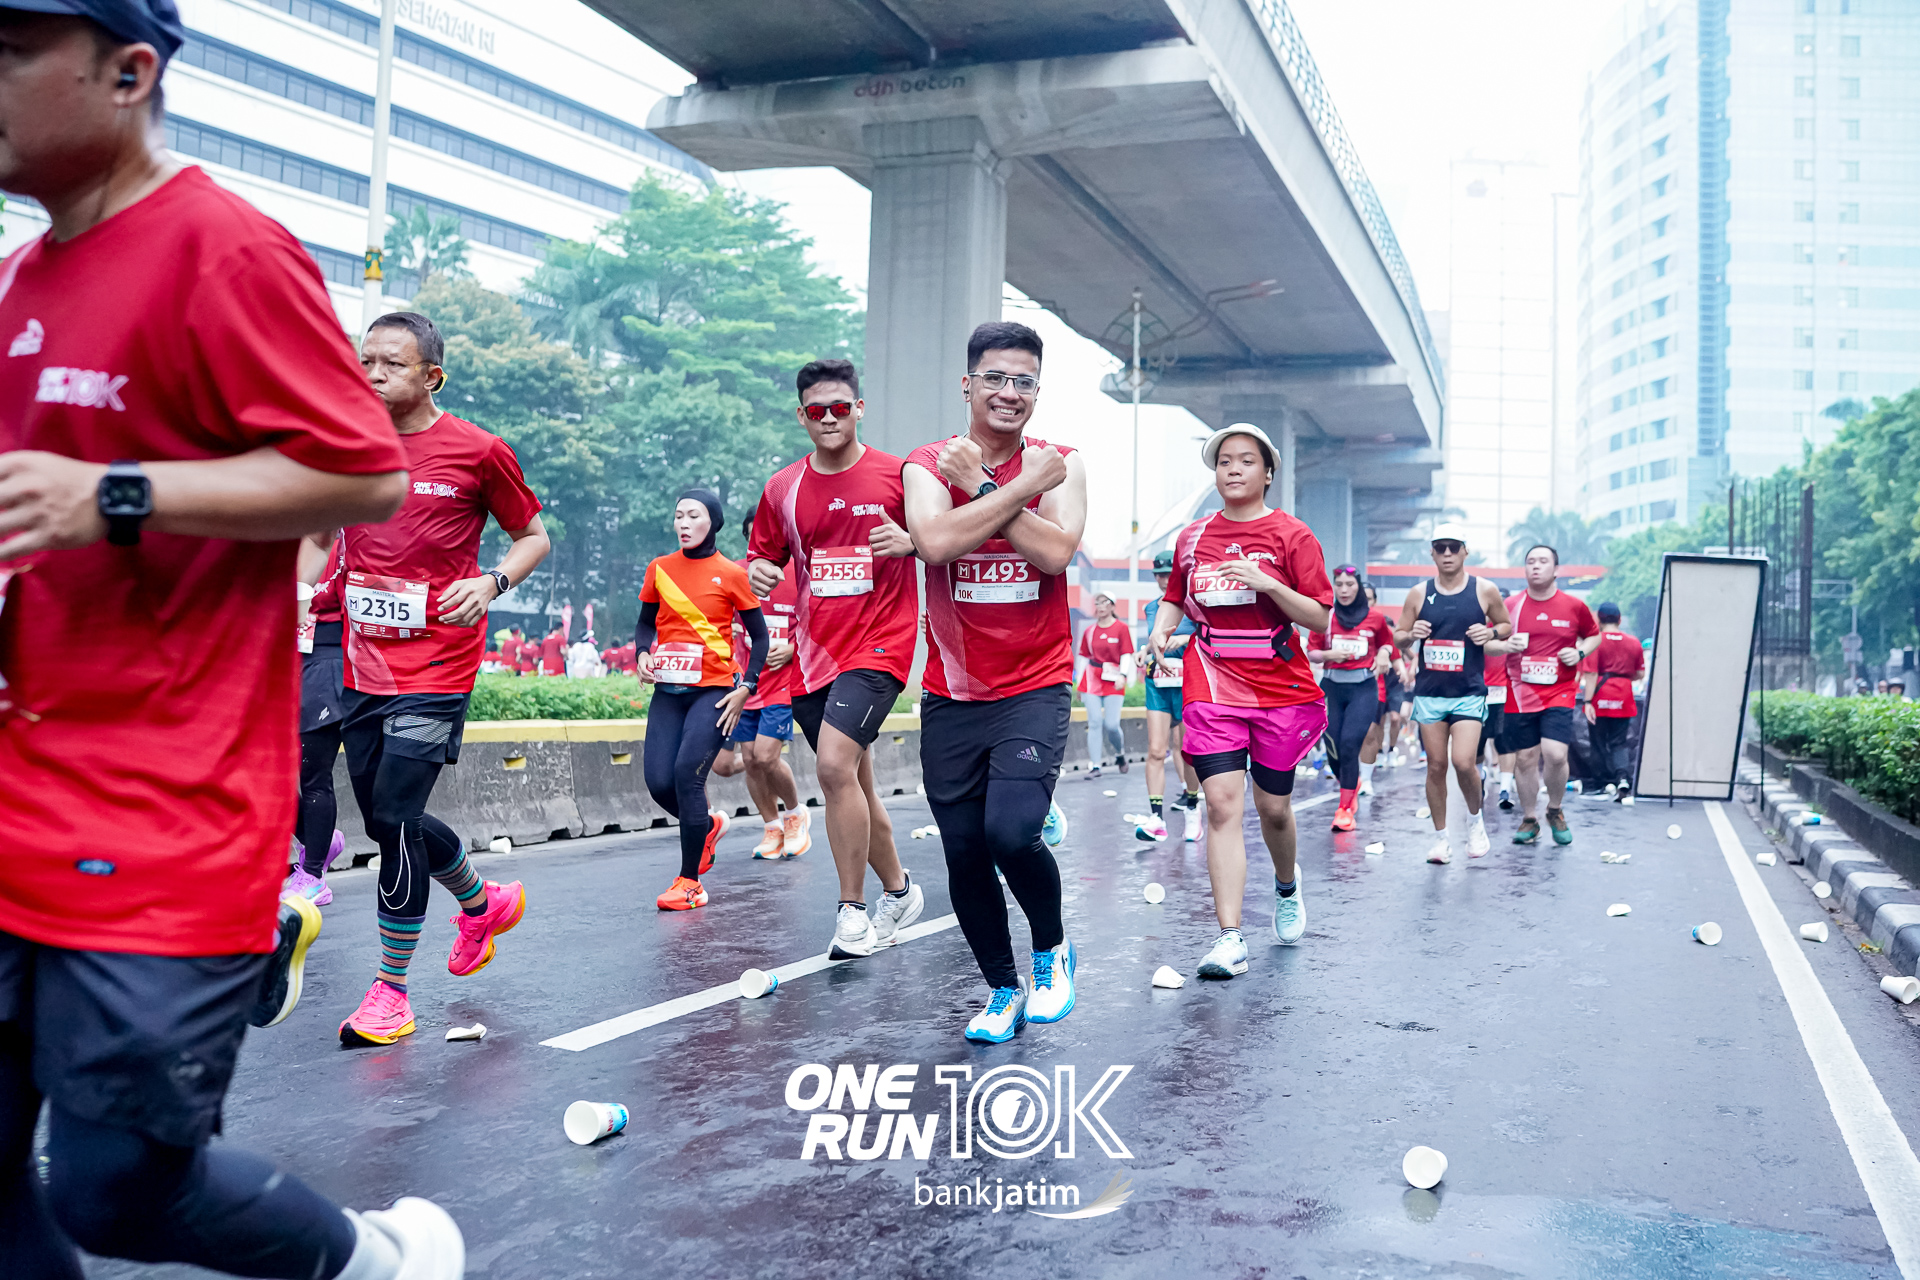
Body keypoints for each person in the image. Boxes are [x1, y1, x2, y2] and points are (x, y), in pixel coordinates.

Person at [0, 5, 469, 1273]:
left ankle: (375, 1260)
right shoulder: (24, 279)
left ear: (128, 71)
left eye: (10, 51)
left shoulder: (224, 251)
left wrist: (116, 494)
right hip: (17, 791)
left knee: (114, 1189)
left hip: (165, 809)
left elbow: (363, 470)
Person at [336, 311, 550, 1049]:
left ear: (432, 376)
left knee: (396, 814)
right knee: (380, 818)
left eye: (391, 364)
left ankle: (391, 991)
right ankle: (482, 901)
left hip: (438, 663)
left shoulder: (478, 450)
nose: (373, 374)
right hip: (362, 661)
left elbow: (532, 537)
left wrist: (492, 583)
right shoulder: (348, 441)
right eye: (366, 360)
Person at [903, 320, 1087, 1041]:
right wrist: (1016, 494)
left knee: (1011, 834)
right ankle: (1002, 990)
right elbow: (935, 541)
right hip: (953, 690)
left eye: (1024, 381)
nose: (1010, 392)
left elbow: (1055, 555)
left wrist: (980, 488)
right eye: (996, 378)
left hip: (1035, 684)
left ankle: (1052, 951)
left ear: (1037, 390)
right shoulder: (926, 464)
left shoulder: (1061, 462)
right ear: (968, 384)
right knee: (964, 851)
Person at [748, 358, 923, 957]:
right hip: (814, 654)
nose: (829, 418)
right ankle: (899, 891)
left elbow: (948, 537)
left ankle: (851, 912)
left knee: (830, 767)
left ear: (858, 410)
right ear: (802, 416)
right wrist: (760, 570)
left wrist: (913, 541)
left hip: (880, 645)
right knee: (854, 784)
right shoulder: (783, 488)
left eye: (840, 408)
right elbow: (763, 556)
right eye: (817, 410)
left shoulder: (900, 475)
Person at [1147, 424, 1332, 980]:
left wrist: (1267, 582)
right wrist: (1161, 628)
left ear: (1267, 473)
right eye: (1224, 460)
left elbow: (1320, 617)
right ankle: (1230, 937)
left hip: (1278, 687)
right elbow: (1175, 596)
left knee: (1273, 809)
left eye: (1246, 460)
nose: (1232, 468)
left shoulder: (1292, 535)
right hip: (1212, 681)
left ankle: (1287, 885)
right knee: (1222, 805)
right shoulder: (1193, 537)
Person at [638, 490, 768, 910]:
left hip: (714, 693)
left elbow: (760, 638)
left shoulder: (731, 574)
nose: (683, 523)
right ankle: (707, 826)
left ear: (713, 522)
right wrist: (641, 654)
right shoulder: (659, 569)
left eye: (693, 515)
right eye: (678, 516)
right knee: (659, 783)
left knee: (687, 775)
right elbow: (644, 625)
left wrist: (746, 687)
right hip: (667, 692)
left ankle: (690, 882)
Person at [1393, 523, 1511, 865]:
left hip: (1468, 692)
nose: (1447, 554)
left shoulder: (1484, 590)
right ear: (1432, 553)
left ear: (1465, 551)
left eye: (1453, 547)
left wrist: (1489, 633)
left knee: (1463, 761)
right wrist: (1411, 635)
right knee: (1435, 766)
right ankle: (1441, 838)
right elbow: (1398, 636)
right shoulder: (1418, 593)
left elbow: (1505, 626)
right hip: (1430, 693)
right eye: (1440, 547)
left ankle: (1475, 822)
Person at [709, 555, 810, 858]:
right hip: (747, 682)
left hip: (783, 683)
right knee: (751, 760)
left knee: (766, 756)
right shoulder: (737, 572)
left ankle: (795, 814)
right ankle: (772, 827)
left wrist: (792, 649)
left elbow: (821, 622)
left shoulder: (801, 571)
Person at [1502, 545, 1601, 846]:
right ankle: (1529, 819)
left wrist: (1579, 652)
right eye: (1530, 561)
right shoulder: (1511, 605)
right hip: (1520, 692)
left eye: (1543, 561)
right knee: (1525, 758)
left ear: (1556, 570)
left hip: (1560, 691)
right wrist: (1506, 645)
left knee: (1556, 754)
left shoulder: (1574, 606)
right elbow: (1491, 642)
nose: (1536, 566)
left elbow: (1594, 636)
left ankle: (1555, 809)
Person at [1306, 565, 1395, 832]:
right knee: (1332, 743)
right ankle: (1350, 781)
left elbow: (1387, 643)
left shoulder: (1375, 617)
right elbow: (1311, 651)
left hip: (1363, 688)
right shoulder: (1326, 617)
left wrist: (1383, 654)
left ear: (1358, 587)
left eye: (1350, 584)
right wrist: (1329, 655)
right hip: (1332, 687)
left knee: (1348, 743)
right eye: (1339, 585)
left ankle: (1345, 809)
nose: (1344, 590)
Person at [286, 535, 347, 905]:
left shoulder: (350, 540)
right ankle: (319, 842)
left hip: (328, 659)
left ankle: (312, 875)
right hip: (285, 657)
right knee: (269, 773)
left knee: (313, 773)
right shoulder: (281, 533)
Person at [1138, 549, 1201, 842]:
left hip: (1189, 682)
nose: (1164, 580)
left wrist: (1186, 638)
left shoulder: (1196, 604)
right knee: (1155, 750)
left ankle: (1192, 808)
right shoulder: (1152, 607)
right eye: (1159, 575)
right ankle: (1156, 818)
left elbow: (1211, 634)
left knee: (1187, 750)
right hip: (1158, 682)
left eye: (1169, 574)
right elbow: (1154, 640)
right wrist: (1143, 652)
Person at [1580, 601, 1644, 800]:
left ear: (1598, 620)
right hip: (1623, 696)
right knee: (1619, 742)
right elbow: (1640, 673)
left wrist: (1587, 702)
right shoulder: (1634, 642)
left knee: (1598, 742)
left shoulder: (1595, 641)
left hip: (1600, 696)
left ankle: (1600, 784)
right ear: (1620, 619)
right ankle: (1622, 778)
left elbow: (1591, 673)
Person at [1076, 591, 1131, 777]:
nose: (1100, 606)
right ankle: (1095, 766)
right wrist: (1079, 682)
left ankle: (1120, 754)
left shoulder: (1121, 628)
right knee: (1094, 722)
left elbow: (1126, 654)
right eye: (1097, 602)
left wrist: (1123, 675)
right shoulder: (1090, 631)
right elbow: (1083, 657)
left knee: (1111, 724)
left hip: (1114, 679)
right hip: (1092, 678)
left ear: (1112, 606)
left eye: (1104, 602)